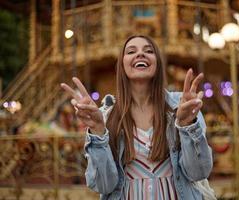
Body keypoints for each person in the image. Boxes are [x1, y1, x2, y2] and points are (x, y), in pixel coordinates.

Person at [61, 35, 213, 200]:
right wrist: (97, 130)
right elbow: (103, 185)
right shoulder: (106, 116)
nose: (140, 54)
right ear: (122, 64)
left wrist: (186, 124)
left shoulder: (182, 107)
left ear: (157, 63)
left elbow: (198, 172)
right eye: (131, 51)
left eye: (148, 51)